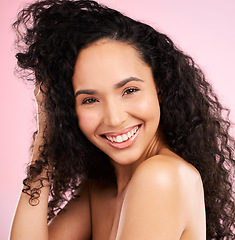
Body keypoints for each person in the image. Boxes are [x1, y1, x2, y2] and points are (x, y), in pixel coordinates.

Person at [10, 0, 235, 239]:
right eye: (89, 100)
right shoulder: (99, 188)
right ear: (69, 111)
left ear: (160, 86)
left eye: (129, 90)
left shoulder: (162, 177)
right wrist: (47, 133)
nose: (115, 119)